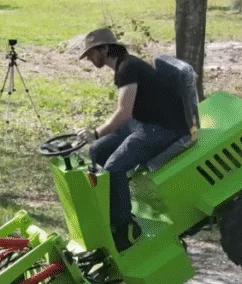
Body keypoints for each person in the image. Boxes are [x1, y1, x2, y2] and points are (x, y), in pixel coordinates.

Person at [76, 27, 189, 251]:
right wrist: (97, 139)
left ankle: (125, 228)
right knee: (97, 151)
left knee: (114, 167)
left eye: (91, 53)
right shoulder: (125, 66)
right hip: (144, 122)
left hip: (162, 128)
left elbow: (123, 112)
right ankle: (112, 209)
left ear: (105, 49)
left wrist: (96, 133)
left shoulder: (127, 68)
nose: (89, 58)